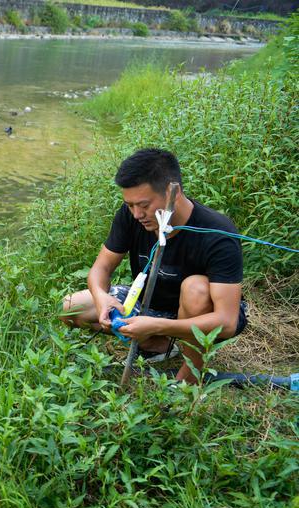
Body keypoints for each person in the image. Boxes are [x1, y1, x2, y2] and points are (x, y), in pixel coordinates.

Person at [61, 148, 247, 384]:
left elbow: (228, 322)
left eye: (144, 205)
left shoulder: (217, 233)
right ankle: (157, 345)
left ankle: (188, 377)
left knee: (195, 288)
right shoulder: (132, 216)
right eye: (130, 205)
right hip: (151, 303)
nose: (137, 214)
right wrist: (100, 297)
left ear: (172, 193)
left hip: (203, 310)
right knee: (71, 306)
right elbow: (102, 268)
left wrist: (157, 325)